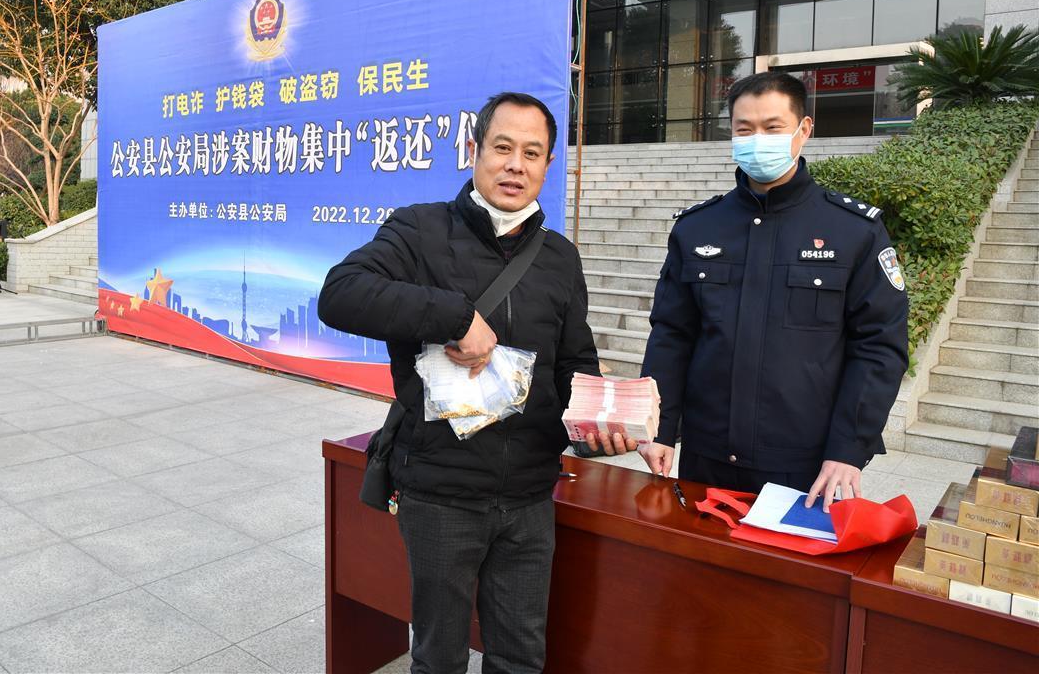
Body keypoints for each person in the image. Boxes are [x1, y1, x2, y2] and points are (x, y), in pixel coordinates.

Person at [318, 92, 629, 674]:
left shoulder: (559, 257)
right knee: (438, 657)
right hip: (441, 492)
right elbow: (340, 294)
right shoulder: (419, 230)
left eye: (532, 153)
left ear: (548, 165)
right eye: (502, 147)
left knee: (520, 656)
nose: (515, 165)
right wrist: (455, 317)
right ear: (473, 150)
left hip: (529, 494)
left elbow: (574, 360)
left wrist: (599, 422)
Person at [639, 71, 908, 512]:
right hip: (706, 455)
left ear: (804, 129)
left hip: (805, 464)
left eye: (772, 127)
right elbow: (672, 335)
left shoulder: (853, 231)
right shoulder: (698, 227)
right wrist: (659, 428)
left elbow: (879, 346)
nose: (757, 140)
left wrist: (848, 448)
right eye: (745, 129)